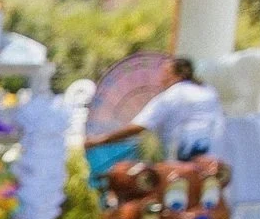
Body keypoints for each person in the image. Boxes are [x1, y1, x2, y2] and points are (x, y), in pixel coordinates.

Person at [92, 57, 224, 160]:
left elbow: (139, 126)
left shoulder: (172, 95)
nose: (161, 78)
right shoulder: (209, 91)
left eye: (165, 73)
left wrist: (100, 140)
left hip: (183, 158)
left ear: (176, 75)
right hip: (215, 155)